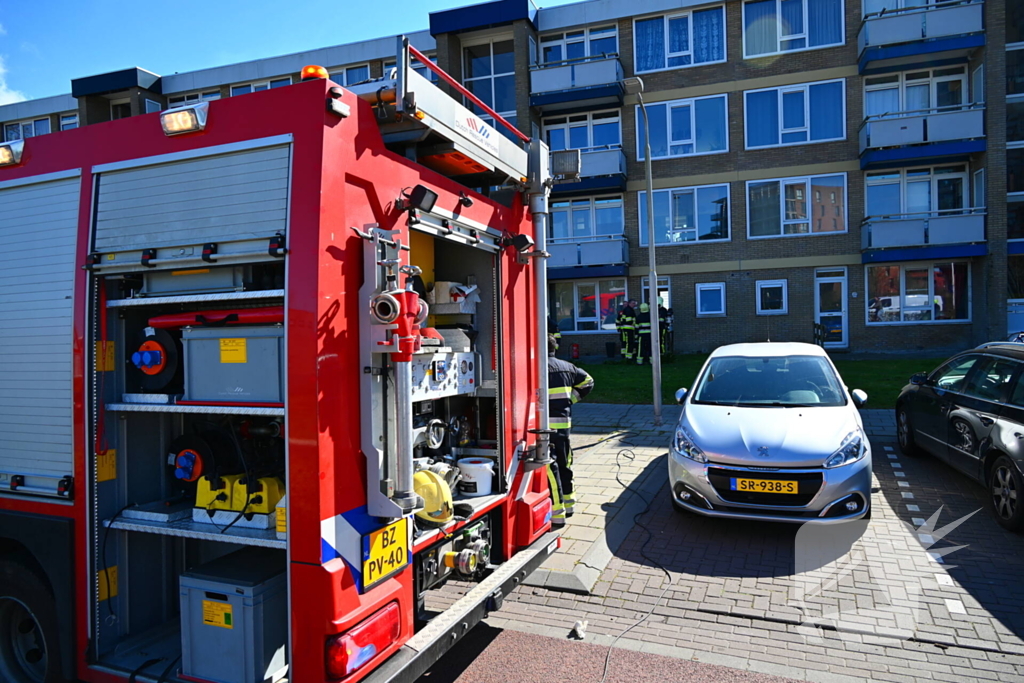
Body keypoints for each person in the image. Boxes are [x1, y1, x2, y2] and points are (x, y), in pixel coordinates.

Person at [547, 334, 594, 526]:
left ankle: (557, 514)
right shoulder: (568, 366)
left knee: (552, 467)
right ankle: (570, 503)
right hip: (563, 425)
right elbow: (588, 381)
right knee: (565, 462)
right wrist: (571, 399)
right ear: (555, 348)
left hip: (546, 428)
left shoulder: (538, 368)